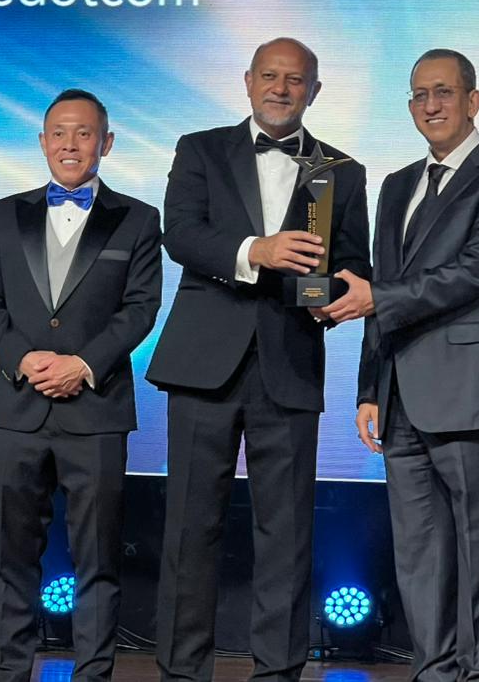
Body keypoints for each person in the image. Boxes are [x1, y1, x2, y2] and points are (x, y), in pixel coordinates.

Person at [146, 37, 370, 682]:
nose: (280, 88)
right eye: (269, 76)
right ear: (247, 82)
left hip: (290, 362)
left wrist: (338, 296)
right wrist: (256, 250)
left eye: (295, 80)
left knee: (288, 534)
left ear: (314, 91)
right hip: (203, 363)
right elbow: (181, 233)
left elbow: (352, 261)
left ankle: (278, 674)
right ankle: (182, 673)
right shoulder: (201, 149)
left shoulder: (342, 169)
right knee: (191, 528)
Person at [326, 48, 479, 682]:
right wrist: (371, 386)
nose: (431, 105)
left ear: (473, 101)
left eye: (444, 92)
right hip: (400, 401)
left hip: (475, 393)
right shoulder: (395, 185)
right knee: (419, 555)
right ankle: (434, 672)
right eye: (419, 94)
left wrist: (377, 298)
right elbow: (382, 285)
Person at [0, 89, 163, 682]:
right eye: (59, 132)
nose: (69, 144)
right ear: (43, 140)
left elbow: (140, 308)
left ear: (106, 142)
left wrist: (83, 363)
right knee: (10, 560)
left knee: (98, 561)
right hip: (15, 407)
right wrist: (24, 359)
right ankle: (8, 672)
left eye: (83, 133)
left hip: (96, 411)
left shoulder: (138, 218)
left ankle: (93, 675)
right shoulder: (5, 212)